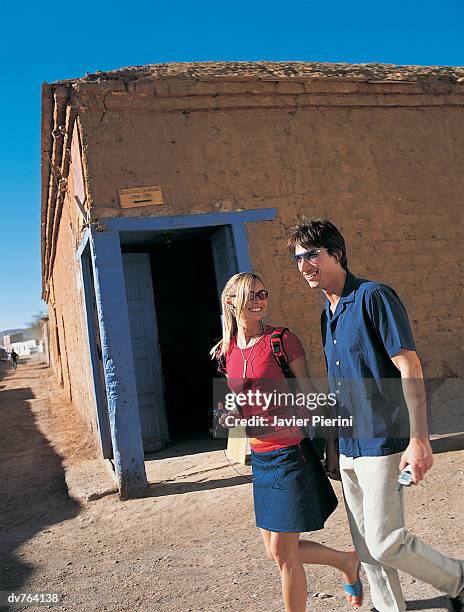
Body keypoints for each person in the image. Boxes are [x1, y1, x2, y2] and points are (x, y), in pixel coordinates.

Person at [287, 217, 464, 612]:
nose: (303, 266)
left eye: (311, 255)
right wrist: (334, 445)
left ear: (336, 253)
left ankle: (459, 579)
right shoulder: (326, 313)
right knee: (367, 548)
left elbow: (410, 366)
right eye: (297, 259)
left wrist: (419, 439)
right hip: (349, 443)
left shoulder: (373, 297)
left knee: (385, 540)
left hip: (384, 438)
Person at [211, 272, 363, 612]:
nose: (259, 300)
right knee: (276, 552)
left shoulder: (282, 341)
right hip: (260, 460)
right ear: (231, 301)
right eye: (251, 295)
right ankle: (346, 561)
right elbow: (237, 402)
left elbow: (309, 397)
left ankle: (343, 565)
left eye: (263, 294)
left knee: (283, 555)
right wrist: (228, 416)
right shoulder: (227, 351)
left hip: (290, 455)